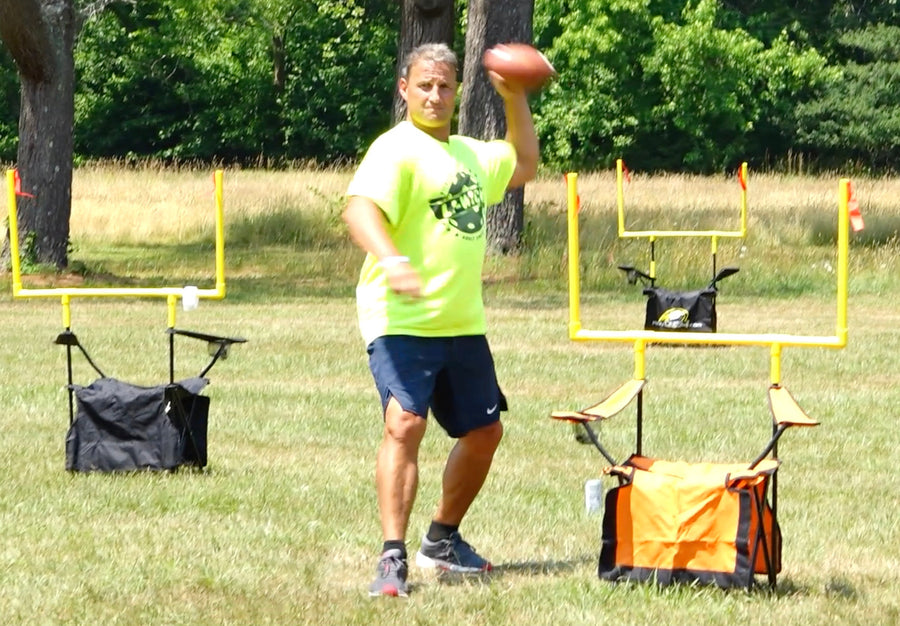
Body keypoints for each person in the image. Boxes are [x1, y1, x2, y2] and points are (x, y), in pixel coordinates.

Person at [342, 41, 539, 598]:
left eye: (445, 86)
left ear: (457, 93)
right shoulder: (395, 149)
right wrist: (392, 258)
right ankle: (391, 556)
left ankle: (442, 541)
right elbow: (358, 208)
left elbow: (523, 162)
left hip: (461, 322)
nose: (434, 94)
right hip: (399, 317)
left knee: (484, 432)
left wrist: (515, 97)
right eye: (424, 85)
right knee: (405, 423)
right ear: (404, 89)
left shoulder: (474, 155)